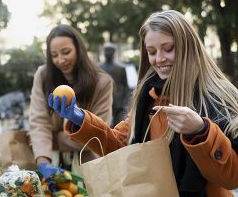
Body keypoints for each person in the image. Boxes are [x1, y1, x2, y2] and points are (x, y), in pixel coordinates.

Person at [48, 10, 238, 196]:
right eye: (152, 51)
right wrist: (81, 119)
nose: (159, 58)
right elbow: (121, 147)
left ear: (187, 46)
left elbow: (232, 178)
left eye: (168, 48)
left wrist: (200, 132)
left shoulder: (219, 96)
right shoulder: (148, 96)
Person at [28, 24, 113, 187]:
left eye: (66, 52)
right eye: (54, 55)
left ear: (79, 49)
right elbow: (38, 122)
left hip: (87, 166)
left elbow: (96, 136)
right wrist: (43, 163)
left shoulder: (102, 83)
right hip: (50, 160)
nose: (60, 60)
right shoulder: (43, 76)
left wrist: (53, 137)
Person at [100, 42, 130, 126]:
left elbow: (125, 86)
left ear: (114, 52)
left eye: (110, 51)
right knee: (104, 125)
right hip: (103, 100)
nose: (108, 53)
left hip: (118, 103)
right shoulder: (99, 68)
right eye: (106, 51)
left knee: (118, 127)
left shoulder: (121, 68)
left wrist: (125, 102)